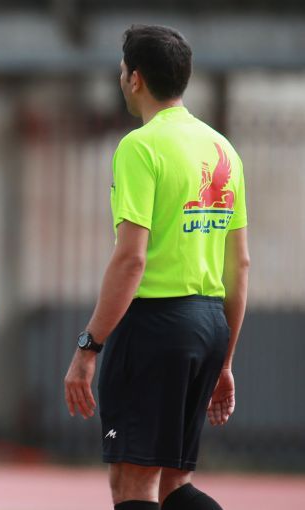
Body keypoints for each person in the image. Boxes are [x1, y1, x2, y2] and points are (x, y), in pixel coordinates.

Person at [63, 25, 249, 510]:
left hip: (154, 327)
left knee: (133, 485)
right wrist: (225, 360)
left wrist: (88, 345)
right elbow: (240, 264)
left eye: (123, 69)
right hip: (209, 324)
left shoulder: (140, 147)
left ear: (135, 78)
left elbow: (131, 259)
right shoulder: (222, 150)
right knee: (174, 484)